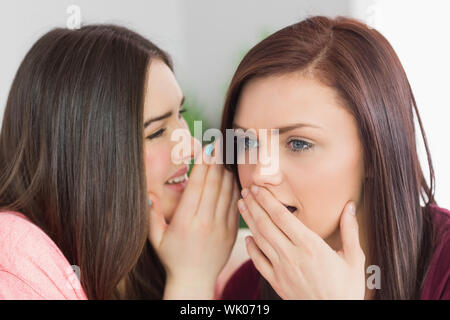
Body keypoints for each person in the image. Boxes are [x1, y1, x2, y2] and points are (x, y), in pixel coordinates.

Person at [0, 24, 240, 299]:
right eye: (157, 132)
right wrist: (191, 281)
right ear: (89, 157)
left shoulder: (151, 249)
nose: (192, 148)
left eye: (180, 114)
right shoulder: (13, 261)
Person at [219, 16, 450, 300]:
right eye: (246, 141)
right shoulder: (244, 289)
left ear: (373, 155)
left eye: (299, 144)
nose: (258, 173)